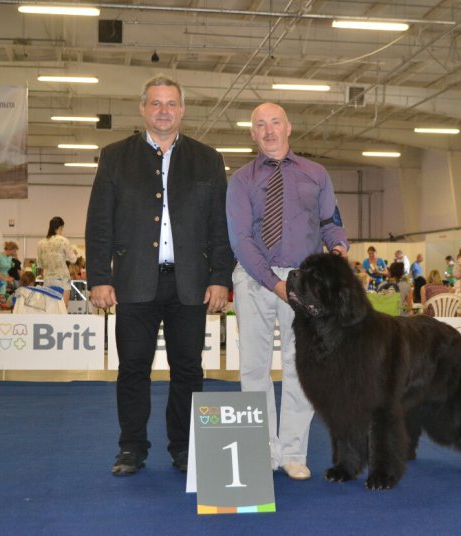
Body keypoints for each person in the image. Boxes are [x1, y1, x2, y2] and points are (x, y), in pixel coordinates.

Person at [86, 74, 234, 477]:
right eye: (155, 103)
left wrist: (220, 277)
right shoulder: (114, 157)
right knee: (133, 368)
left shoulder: (208, 159)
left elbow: (221, 226)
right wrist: (99, 277)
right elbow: (99, 223)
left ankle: (184, 448)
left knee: (188, 369)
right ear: (142, 108)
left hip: (191, 284)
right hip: (133, 282)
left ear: (182, 110)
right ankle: (131, 448)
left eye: (171, 104)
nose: (163, 111)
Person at [227, 101, 348, 481]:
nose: (268, 130)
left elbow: (330, 222)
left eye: (275, 122)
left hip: (305, 282)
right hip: (253, 279)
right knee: (254, 369)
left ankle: (294, 452)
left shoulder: (316, 173)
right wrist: (274, 283)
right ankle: (262, 450)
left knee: (302, 368)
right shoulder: (241, 180)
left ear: (288, 127)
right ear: (253, 133)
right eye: (260, 125)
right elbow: (240, 239)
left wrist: (338, 249)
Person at [37, 216, 77, 307]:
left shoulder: (40, 243)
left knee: (49, 307)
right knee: (63, 307)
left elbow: (39, 264)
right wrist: (74, 253)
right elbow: (73, 260)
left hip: (48, 279)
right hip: (62, 279)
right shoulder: (63, 241)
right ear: (60, 227)